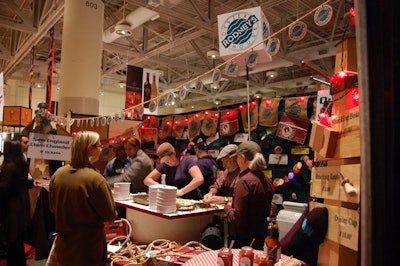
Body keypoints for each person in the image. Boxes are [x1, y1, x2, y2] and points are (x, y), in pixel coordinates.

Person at [48, 131, 116, 265]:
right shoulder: (96, 179)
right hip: (88, 250)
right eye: (99, 146)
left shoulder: (58, 174)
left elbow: (52, 207)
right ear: (90, 149)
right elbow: (110, 215)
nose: (101, 149)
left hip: (64, 247)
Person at [224, 141, 274, 250]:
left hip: (243, 240)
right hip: (260, 237)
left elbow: (237, 218)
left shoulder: (245, 181)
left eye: (237, 158)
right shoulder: (267, 180)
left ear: (243, 158)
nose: (236, 161)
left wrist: (227, 207)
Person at [0, 140, 42, 266]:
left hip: (11, 205)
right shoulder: (22, 163)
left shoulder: (9, 166)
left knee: (12, 238)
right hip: (21, 202)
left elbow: (3, 188)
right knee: (18, 237)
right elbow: (24, 182)